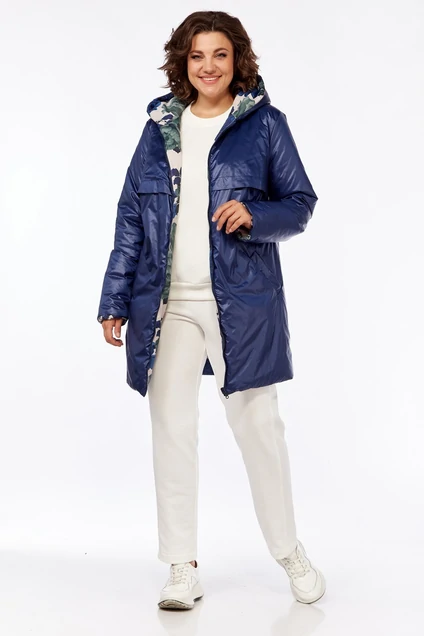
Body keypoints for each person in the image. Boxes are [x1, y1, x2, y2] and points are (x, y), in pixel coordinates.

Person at [97, 10, 326, 609]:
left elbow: (300, 202)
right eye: (197, 55)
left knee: (258, 429)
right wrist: (115, 297)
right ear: (183, 61)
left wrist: (256, 214)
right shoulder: (159, 128)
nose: (208, 66)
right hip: (167, 305)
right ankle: (181, 566)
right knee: (171, 430)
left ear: (237, 59)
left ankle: (289, 552)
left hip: (242, 304)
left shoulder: (265, 124)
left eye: (219, 54)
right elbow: (130, 219)